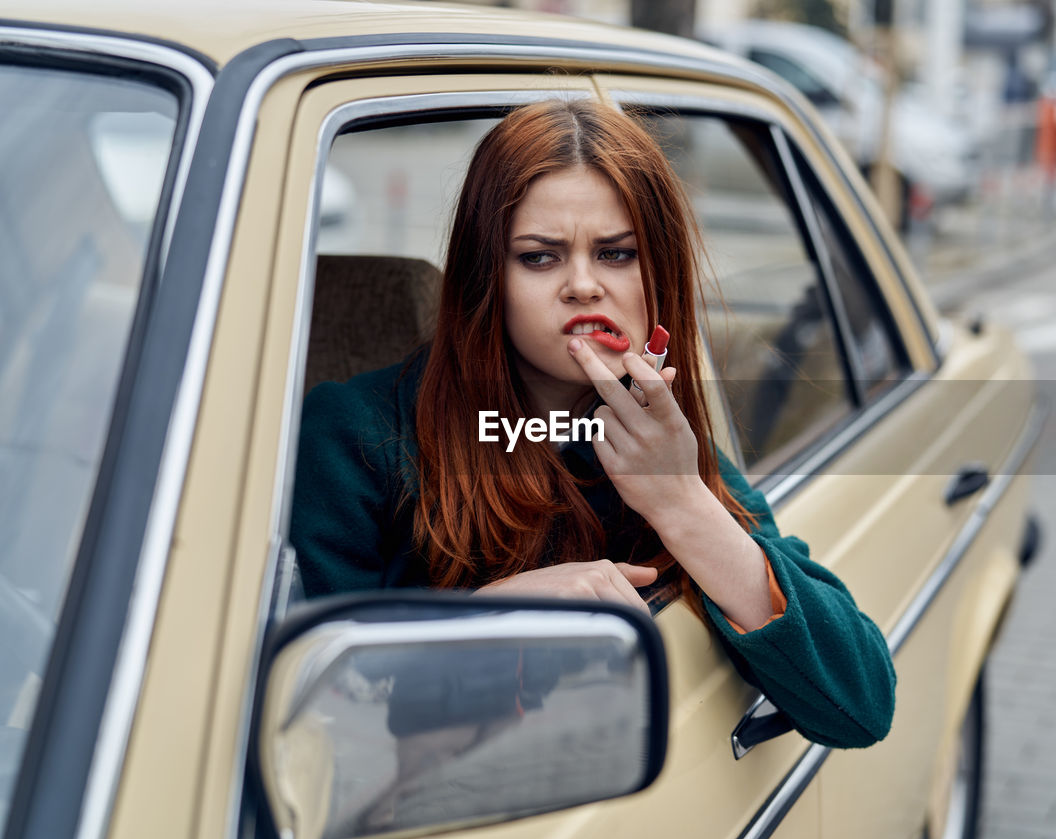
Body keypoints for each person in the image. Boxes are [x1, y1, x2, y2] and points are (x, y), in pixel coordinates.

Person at [290, 99, 895, 749]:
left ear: (657, 275)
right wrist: (490, 618)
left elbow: (861, 708)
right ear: (484, 278)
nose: (583, 285)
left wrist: (685, 505)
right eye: (540, 258)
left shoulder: (663, 450)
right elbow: (305, 717)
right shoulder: (353, 433)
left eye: (616, 254)